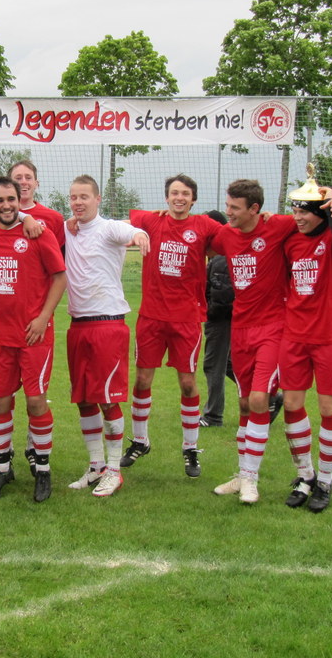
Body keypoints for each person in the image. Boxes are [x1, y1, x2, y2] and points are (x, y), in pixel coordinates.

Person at [209, 179, 332, 505]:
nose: (229, 212)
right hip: (250, 330)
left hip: (283, 329)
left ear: (255, 209)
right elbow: (199, 239)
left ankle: (300, 481)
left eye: (235, 207)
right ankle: (296, 476)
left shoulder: (283, 227)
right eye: (227, 206)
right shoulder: (233, 234)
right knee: (252, 404)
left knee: (263, 400)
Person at [0, 177, 67, 502]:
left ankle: (43, 469)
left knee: (36, 401)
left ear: (18, 199)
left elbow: (60, 277)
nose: (6, 205)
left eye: (11, 199)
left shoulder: (38, 233)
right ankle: (2, 468)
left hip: (33, 335)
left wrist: (43, 318)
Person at [120, 175, 222, 479]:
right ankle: (140, 441)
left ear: (193, 199)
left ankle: (190, 448)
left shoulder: (204, 225)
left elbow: (234, 236)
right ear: (166, 197)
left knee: (188, 383)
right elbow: (118, 225)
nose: (179, 198)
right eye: (174, 193)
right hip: (151, 317)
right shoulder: (151, 220)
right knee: (142, 379)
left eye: (185, 193)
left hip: (186, 319)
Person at [64, 175, 150, 497]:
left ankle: (114, 470)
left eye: (84, 196)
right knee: (84, 399)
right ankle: (96, 465)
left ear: (97, 199)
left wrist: (139, 235)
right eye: (74, 197)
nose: (78, 202)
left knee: (107, 398)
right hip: (78, 325)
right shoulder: (67, 229)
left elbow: (132, 232)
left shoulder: (109, 227)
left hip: (108, 324)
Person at [279, 177, 332, 513]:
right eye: (294, 211)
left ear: (320, 213)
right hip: (294, 335)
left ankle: (325, 479)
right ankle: (305, 475)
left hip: (330, 337)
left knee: (328, 408)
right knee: (292, 404)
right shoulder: (292, 242)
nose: (297, 217)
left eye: (304, 212)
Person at [200, 210, 235, 428]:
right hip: (224, 319)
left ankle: (213, 416)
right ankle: (269, 396)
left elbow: (222, 296)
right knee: (229, 364)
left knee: (213, 365)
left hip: (220, 320)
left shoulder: (221, 258)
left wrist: (208, 312)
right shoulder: (217, 257)